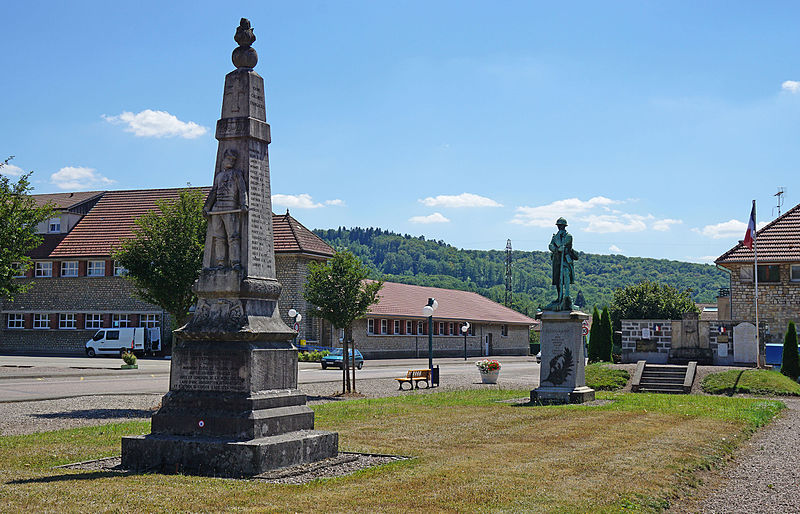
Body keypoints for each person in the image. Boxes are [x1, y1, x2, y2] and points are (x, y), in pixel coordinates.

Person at [203, 148, 248, 269]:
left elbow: (242, 190)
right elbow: (213, 192)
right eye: (229, 159)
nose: (231, 161)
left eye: (233, 160)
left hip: (230, 207)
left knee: (233, 237)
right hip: (217, 209)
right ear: (223, 159)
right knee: (219, 238)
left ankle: (235, 262)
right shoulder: (219, 176)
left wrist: (244, 204)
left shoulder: (237, 174)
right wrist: (207, 207)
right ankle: (220, 262)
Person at [548, 217, 578, 310]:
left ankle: (566, 297)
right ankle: (559, 297)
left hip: (565, 259)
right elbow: (551, 245)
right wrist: (556, 249)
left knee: (566, 277)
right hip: (557, 259)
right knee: (557, 279)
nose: (560, 227)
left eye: (561, 226)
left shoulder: (568, 236)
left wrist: (558, 246)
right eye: (558, 226)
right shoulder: (555, 236)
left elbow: (562, 245)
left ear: (564, 226)